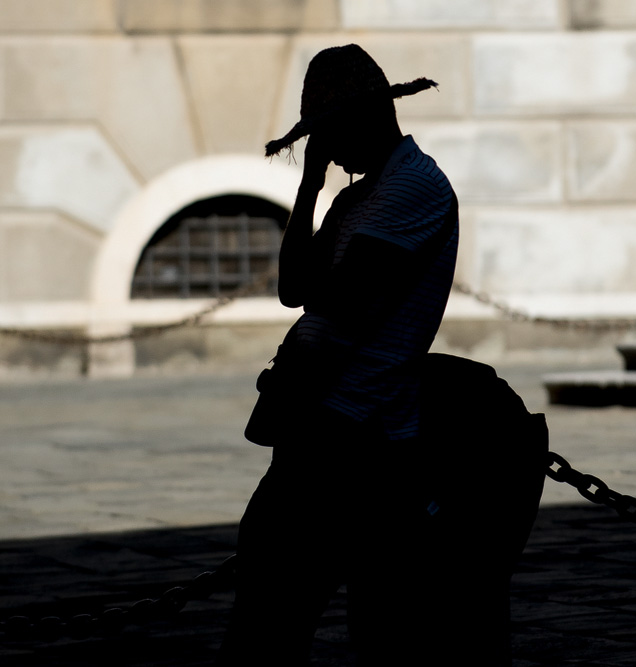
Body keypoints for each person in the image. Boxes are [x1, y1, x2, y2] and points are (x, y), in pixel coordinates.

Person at [219, 44, 460, 665]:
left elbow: (346, 301)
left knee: (308, 614)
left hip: (362, 430)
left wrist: (291, 373)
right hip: (322, 424)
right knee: (270, 608)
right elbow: (294, 289)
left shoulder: (416, 187)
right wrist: (308, 185)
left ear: (371, 117)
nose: (328, 149)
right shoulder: (357, 200)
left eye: (330, 134)